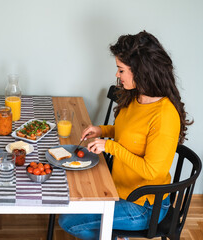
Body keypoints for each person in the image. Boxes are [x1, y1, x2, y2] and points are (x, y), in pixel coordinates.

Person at [58, 31, 193, 239]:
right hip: (118, 189)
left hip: (143, 205)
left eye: (121, 70)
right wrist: (102, 130)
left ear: (140, 71)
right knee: (70, 205)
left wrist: (109, 146)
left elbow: (151, 171)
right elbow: (131, 134)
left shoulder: (165, 115)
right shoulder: (137, 97)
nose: (117, 75)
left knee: (67, 221)